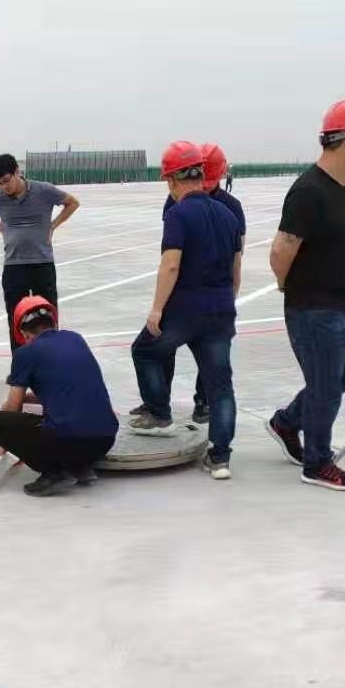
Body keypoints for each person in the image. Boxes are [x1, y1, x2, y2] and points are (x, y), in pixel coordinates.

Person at [266, 98, 345, 492]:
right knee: (326, 386)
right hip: (314, 308)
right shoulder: (308, 191)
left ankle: (286, 422)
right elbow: (281, 250)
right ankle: (316, 462)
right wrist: (289, 286)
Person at [128, 142, 242, 481]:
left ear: (173, 180)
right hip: (220, 310)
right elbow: (236, 267)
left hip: (184, 310)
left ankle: (159, 413)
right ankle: (220, 458)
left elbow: (171, 265)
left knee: (145, 350)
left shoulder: (178, 214)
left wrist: (157, 309)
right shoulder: (228, 214)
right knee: (220, 385)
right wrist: (227, 303)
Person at [0, 296, 118, 496]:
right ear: (53, 323)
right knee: (62, 420)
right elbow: (66, 389)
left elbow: (13, 407)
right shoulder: (76, 339)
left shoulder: (25, 353)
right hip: (105, 439)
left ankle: (55, 473)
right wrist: (29, 398)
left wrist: (3, 437)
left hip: (68, 440)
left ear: (25, 334)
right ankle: (80, 467)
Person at [0, 152, 80, 352]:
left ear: (17, 171)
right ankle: (20, 361)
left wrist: (53, 225)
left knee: (48, 317)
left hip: (42, 263)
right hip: (13, 266)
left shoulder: (43, 190)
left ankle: (50, 358)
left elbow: (72, 203)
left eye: (6, 180)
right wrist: (2, 229)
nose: (4, 187)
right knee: (16, 318)